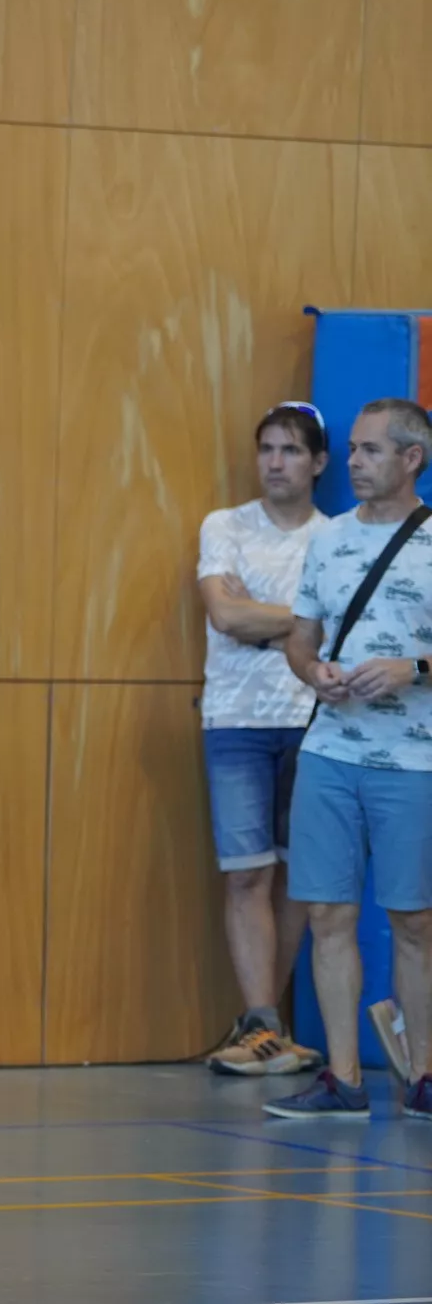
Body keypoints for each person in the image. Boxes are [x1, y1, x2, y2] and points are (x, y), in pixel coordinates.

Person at [266, 397, 432, 1120]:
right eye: (355, 450)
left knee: (414, 921)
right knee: (327, 914)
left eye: (370, 450)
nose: (355, 462)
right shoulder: (328, 539)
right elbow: (301, 636)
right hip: (329, 754)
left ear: (411, 458)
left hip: (414, 762)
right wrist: (314, 672)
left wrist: (414, 668)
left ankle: (422, 1075)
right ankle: (343, 1078)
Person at [196, 403, 329, 1077]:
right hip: (236, 721)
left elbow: (343, 629)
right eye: (267, 449)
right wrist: (305, 622)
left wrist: (265, 619)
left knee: (298, 879)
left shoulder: (336, 539)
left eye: (291, 450)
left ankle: (269, 1026)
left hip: (316, 720)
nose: (276, 462)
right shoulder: (226, 527)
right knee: (246, 871)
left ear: (318, 463)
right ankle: (262, 1022)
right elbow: (224, 612)